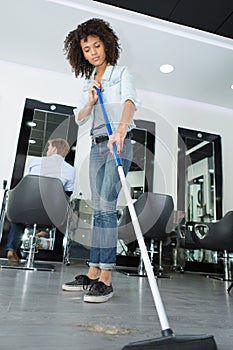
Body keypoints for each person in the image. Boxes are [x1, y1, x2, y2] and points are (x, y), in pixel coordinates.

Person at [62, 18, 140, 303]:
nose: (93, 52)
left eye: (97, 45)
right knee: (99, 210)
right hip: (96, 147)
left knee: (107, 208)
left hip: (117, 143)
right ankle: (93, 272)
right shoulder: (89, 81)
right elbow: (79, 117)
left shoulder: (120, 73)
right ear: (81, 54)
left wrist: (120, 129)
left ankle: (106, 276)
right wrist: (91, 101)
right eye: (87, 49)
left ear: (106, 44)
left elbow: (130, 102)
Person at [6, 138, 76, 262]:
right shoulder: (70, 169)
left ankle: (12, 248)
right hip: (52, 214)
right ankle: (57, 254)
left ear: (54, 149)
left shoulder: (36, 162)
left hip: (26, 208)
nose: (47, 151)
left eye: (48, 148)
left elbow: (25, 185)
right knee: (63, 213)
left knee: (19, 218)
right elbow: (67, 194)